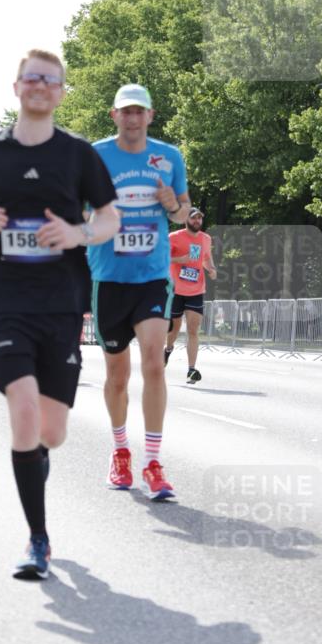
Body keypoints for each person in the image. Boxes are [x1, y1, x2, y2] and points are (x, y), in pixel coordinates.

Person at [0, 48, 119, 580]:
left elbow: (109, 217)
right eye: (32, 78)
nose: (41, 86)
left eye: (51, 80)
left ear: (61, 92)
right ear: (17, 87)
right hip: (6, 302)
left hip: (62, 304)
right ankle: (38, 539)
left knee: (53, 431)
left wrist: (79, 234)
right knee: (21, 409)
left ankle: (34, 462)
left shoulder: (78, 155)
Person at [89, 83, 191, 500]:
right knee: (117, 376)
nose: (132, 118)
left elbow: (185, 210)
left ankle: (152, 461)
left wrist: (172, 205)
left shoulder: (169, 157)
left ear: (150, 116)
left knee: (153, 363)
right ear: (114, 115)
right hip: (109, 276)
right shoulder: (95, 156)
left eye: (140, 112)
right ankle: (120, 453)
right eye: (125, 112)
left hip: (151, 275)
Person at [164, 208, 216, 381]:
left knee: (193, 330)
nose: (197, 221)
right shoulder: (174, 237)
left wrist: (211, 269)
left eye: (200, 219)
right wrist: (179, 260)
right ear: (186, 219)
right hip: (175, 290)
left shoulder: (206, 239)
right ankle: (168, 349)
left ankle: (191, 369)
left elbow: (206, 258)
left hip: (196, 290)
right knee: (175, 328)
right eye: (194, 218)